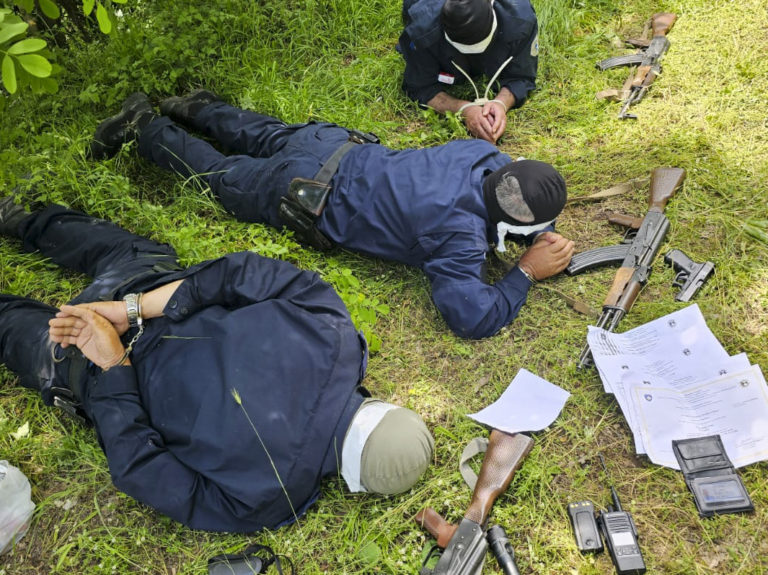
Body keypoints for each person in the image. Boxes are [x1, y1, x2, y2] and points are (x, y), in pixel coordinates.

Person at [0, 197, 434, 533]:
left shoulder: (336, 333)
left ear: (383, 406)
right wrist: (115, 362)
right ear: (355, 482)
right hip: (83, 362)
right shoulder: (268, 497)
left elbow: (242, 272)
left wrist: (134, 307)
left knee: (106, 244)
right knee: (9, 327)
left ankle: (18, 216)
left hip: (140, 286)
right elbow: (141, 468)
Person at [89, 91, 574, 340]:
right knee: (219, 174)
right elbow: (470, 317)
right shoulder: (460, 237)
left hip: (334, 145)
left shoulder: (481, 156)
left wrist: (537, 229)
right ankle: (144, 126)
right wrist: (526, 271)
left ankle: (194, 106)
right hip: (304, 193)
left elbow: (516, 188)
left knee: (265, 134)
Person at [398, 0, 539, 143]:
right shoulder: (422, 29)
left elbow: (522, 76)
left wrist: (501, 103)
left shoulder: (521, 19)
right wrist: (464, 109)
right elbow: (419, 86)